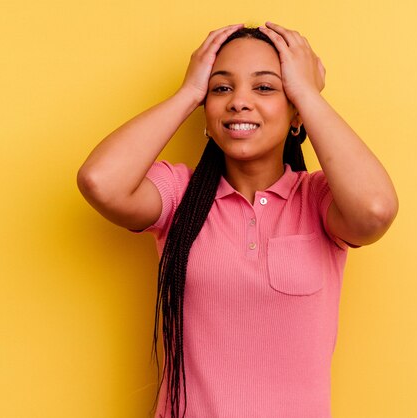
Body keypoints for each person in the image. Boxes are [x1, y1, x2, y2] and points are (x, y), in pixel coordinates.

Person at [77, 22, 398, 418]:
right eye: (221, 88)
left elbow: (375, 210)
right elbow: (99, 182)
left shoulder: (318, 200)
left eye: (265, 87)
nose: (239, 102)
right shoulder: (179, 195)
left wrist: (308, 96)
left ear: (296, 113)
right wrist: (188, 93)